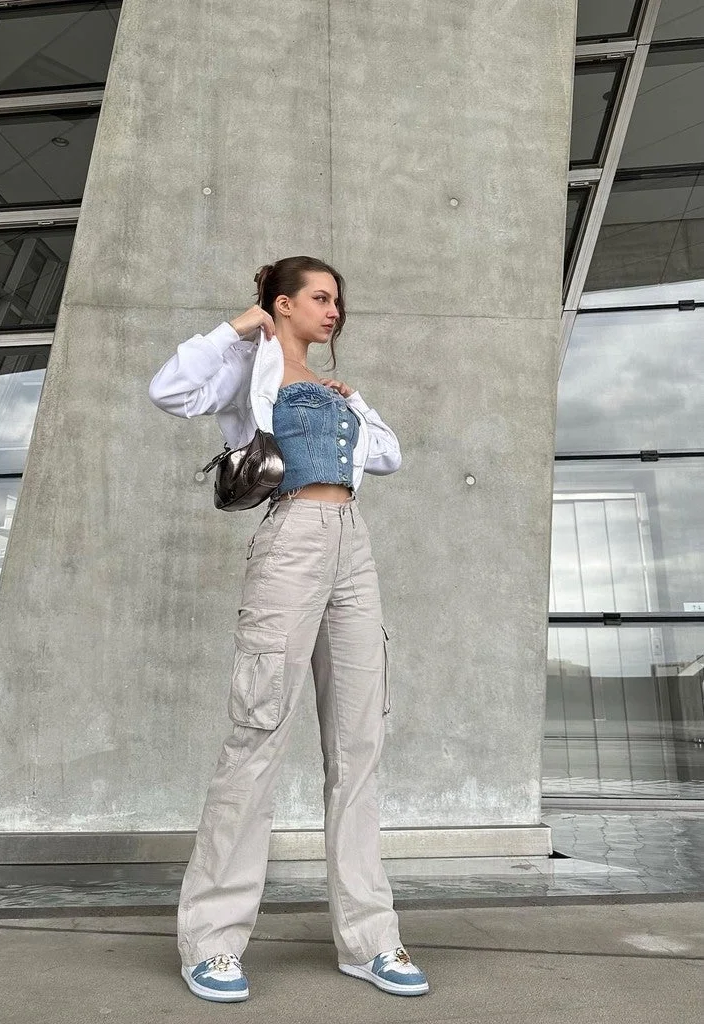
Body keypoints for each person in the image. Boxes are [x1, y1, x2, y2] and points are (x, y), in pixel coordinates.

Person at [148, 256, 429, 1002]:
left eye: (337, 302)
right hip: (291, 539)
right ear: (282, 304)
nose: (334, 312)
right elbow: (169, 390)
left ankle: (369, 940)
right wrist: (236, 328)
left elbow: (390, 456)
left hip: (352, 544)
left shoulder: (335, 389)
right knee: (258, 731)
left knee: (359, 744)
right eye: (321, 298)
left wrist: (354, 397)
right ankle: (212, 942)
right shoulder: (249, 368)